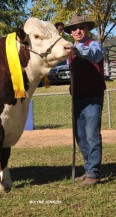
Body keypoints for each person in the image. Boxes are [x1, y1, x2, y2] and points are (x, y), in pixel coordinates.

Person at [64, 14, 106, 187]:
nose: (78, 31)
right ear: (71, 32)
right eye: (74, 28)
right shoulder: (70, 50)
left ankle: (93, 173)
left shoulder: (94, 45)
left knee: (92, 134)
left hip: (93, 97)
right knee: (80, 136)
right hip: (77, 98)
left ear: (87, 29)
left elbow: (94, 55)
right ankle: (88, 168)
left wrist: (77, 50)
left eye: (81, 27)